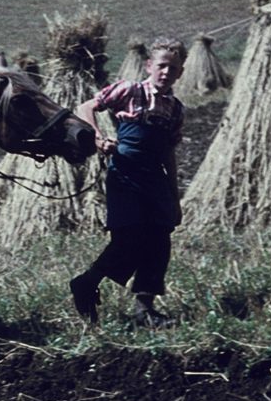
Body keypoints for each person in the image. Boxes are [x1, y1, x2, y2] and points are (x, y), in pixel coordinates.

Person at [69, 38, 186, 328]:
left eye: (173, 68)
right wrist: (98, 137)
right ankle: (86, 283)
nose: (166, 73)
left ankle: (144, 309)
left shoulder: (176, 109)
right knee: (129, 238)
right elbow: (86, 108)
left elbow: (169, 154)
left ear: (181, 72)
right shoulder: (129, 90)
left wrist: (174, 198)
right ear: (149, 66)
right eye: (161, 66)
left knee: (160, 239)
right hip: (125, 173)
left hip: (155, 178)